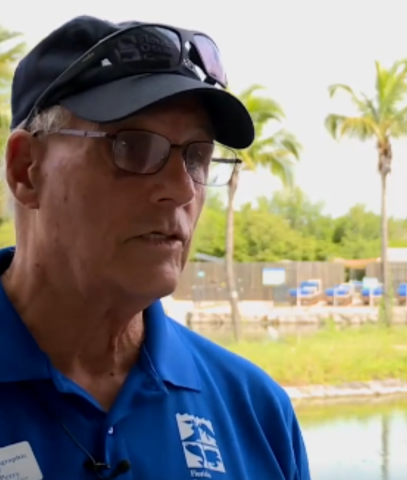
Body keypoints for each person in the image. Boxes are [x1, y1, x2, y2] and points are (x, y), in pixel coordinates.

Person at [0, 16, 310, 480]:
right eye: (133, 148)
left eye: (197, 157)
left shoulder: (255, 410)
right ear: (27, 171)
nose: (182, 190)